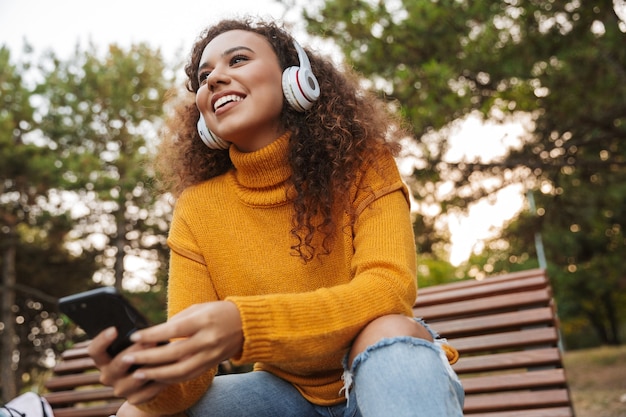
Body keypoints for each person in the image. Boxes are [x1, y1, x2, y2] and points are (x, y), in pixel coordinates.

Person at [87, 17, 465, 417]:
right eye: (204, 75)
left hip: (385, 372)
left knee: (388, 329)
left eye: (237, 59)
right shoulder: (196, 209)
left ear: (296, 80)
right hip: (283, 397)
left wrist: (246, 324)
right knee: (135, 412)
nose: (214, 79)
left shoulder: (364, 163)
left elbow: (388, 290)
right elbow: (190, 376)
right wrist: (154, 379)